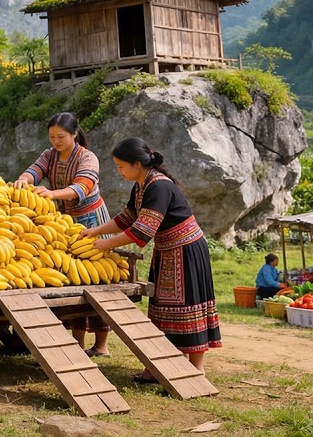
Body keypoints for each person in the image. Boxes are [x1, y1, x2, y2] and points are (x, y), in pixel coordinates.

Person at [80, 138, 221, 380]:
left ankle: (196, 368)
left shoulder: (158, 187)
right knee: (162, 310)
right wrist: (95, 231)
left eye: (121, 166)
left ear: (137, 164)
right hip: (167, 252)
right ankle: (158, 366)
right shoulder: (141, 185)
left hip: (186, 251)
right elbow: (126, 219)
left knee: (188, 309)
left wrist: (104, 244)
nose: (119, 170)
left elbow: (142, 230)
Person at [13, 112, 112, 358]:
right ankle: (77, 341)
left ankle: (101, 344)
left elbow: (83, 186)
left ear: (74, 134)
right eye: (52, 137)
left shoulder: (87, 158)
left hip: (91, 220)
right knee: (73, 277)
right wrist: (23, 180)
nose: (56, 141)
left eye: (61, 136)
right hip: (64, 223)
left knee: (97, 279)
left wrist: (53, 194)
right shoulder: (50, 155)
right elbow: (33, 171)